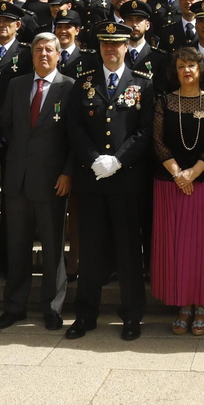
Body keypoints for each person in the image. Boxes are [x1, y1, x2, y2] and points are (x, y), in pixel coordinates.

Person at [66, 20, 154, 341]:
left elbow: (145, 131)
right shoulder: (84, 82)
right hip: (92, 180)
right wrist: (94, 159)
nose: (111, 49)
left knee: (129, 251)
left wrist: (118, 159)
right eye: (105, 44)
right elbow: (74, 127)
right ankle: (85, 314)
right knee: (90, 250)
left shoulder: (143, 84)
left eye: (117, 44)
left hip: (127, 181)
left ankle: (132, 316)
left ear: (127, 47)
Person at [151, 45, 204, 336]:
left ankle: (202, 304)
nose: (187, 70)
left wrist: (193, 174)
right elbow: (158, 141)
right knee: (177, 246)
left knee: (202, 245)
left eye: (192, 66)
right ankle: (183, 304)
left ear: (202, 70)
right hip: (170, 183)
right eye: (182, 66)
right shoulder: (163, 101)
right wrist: (178, 175)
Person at [0, 33, 76, 330]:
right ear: (31, 55)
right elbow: (8, 127)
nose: (43, 53)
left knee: (53, 248)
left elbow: (74, 136)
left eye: (49, 50)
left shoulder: (70, 87)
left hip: (53, 181)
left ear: (59, 55)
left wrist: (68, 172)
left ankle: (52, 308)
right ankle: (14, 306)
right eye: (38, 49)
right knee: (16, 247)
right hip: (18, 180)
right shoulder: (17, 86)